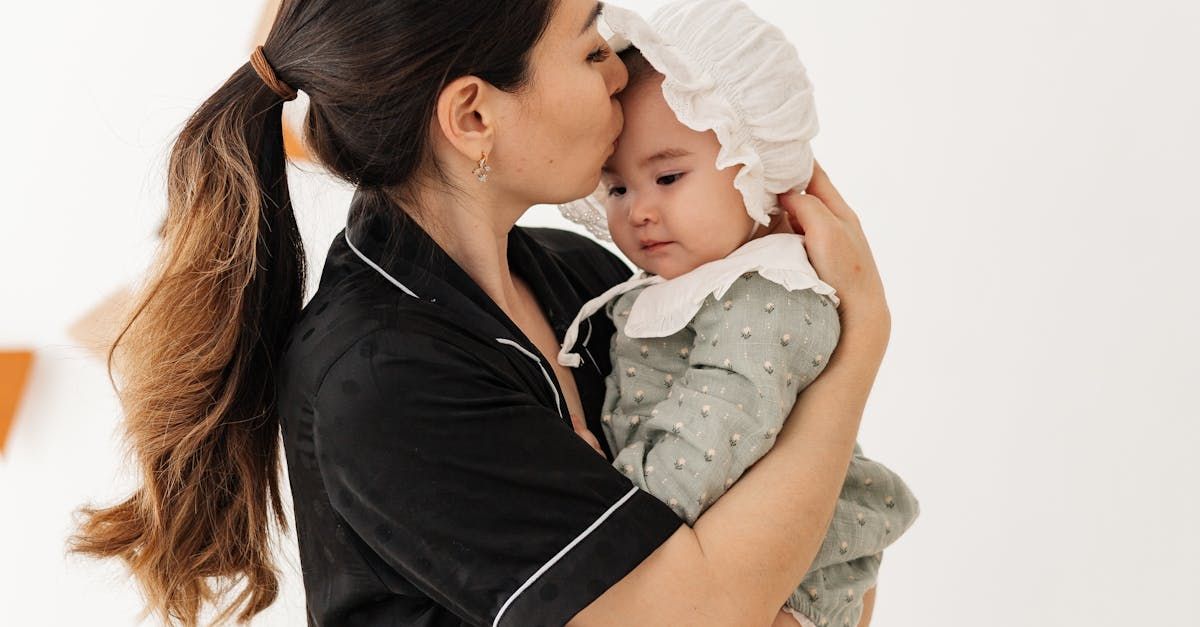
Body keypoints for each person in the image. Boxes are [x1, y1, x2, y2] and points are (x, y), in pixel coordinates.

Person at [67, 1, 894, 626]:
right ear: (473, 117)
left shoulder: (590, 284)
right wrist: (856, 346)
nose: (621, 74)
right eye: (590, 48)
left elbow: (812, 540)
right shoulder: (383, 376)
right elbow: (691, 607)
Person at [552, 3, 919, 626]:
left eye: (668, 176)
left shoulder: (766, 294)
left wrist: (607, 495)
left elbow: (715, 434)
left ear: (755, 166)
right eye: (617, 188)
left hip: (788, 583)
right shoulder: (667, 288)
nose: (638, 210)